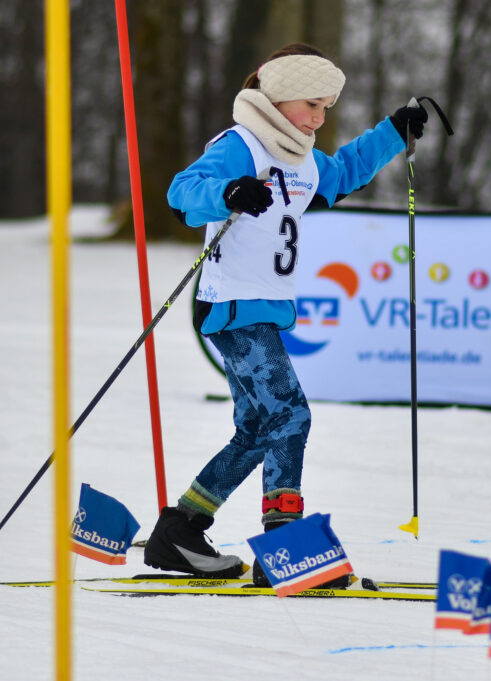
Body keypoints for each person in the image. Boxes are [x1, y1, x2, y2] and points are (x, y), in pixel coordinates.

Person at [143, 43, 428, 584]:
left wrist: (395, 131)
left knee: (257, 428)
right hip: (234, 304)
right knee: (290, 415)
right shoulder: (242, 144)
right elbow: (183, 193)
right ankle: (283, 546)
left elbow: (343, 173)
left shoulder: (300, 157)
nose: (319, 118)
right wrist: (229, 191)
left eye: (327, 108)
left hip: (265, 307)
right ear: (279, 96)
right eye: (312, 105)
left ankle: (180, 531)